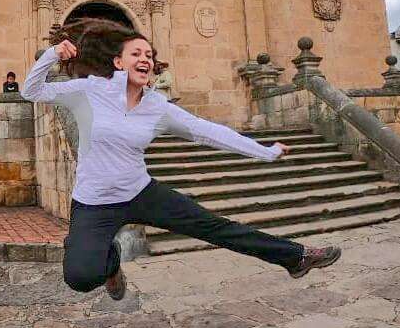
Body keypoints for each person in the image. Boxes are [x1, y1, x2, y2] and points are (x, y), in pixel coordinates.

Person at [21, 19, 341, 301]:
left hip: (141, 193)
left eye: (149, 55)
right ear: (118, 62)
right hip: (94, 203)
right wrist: (52, 56)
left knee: (217, 227)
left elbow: (208, 132)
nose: (145, 59)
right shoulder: (89, 91)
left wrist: (266, 151)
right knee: (79, 277)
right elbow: (31, 92)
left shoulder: (157, 107)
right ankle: (111, 263)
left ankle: (296, 257)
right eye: (136, 53)